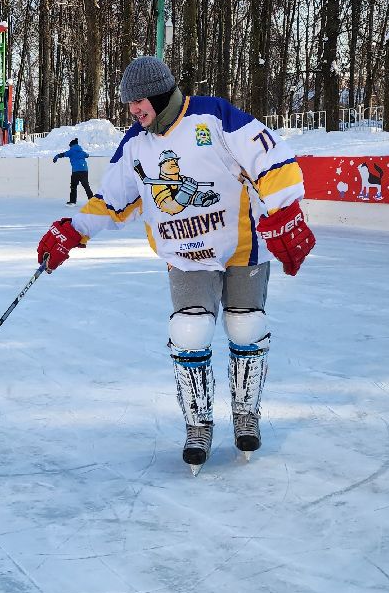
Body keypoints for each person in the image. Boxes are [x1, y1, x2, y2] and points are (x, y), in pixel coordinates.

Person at [36, 55, 315, 474]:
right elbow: (112, 200)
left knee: (246, 326)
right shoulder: (135, 144)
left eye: (138, 101)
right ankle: (198, 424)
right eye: (130, 103)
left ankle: (246, 414)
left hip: (241, 246)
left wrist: (284, 208)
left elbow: (271, 159)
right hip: (184, 255)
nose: (133, 110)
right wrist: (74, 231)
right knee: (189, 331)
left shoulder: (213, 116)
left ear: (160, 93)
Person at [53, 137, 93, 204]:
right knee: (86, 186)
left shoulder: (71, 151)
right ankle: (92, 200)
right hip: (84, 170)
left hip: (76, 171)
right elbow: (87, 155)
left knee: (73, 186)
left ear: (72, 145)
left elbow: (63, 154)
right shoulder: (82, 151)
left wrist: (56, 157)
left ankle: (72, 201)